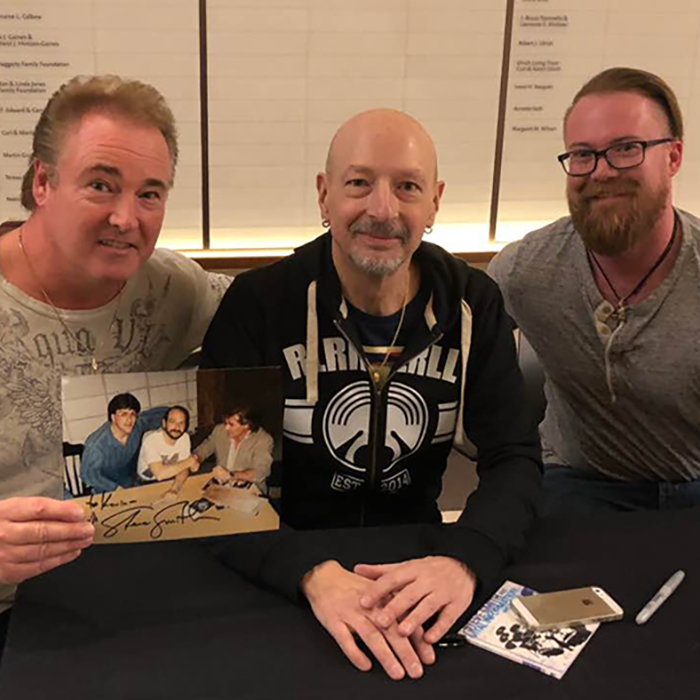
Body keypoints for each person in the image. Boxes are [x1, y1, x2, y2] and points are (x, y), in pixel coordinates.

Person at [201, 109, 542, 680]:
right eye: (359, 182)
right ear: (324, 194)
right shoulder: (258, 304)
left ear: (434, 202)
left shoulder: (473, 303)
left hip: (420, 569)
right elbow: (218, 481)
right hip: (282, 570)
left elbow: (515, 457)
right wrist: (310, 571)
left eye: (407, 187)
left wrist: (464, 558)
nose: (383, 210)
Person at [0, 75, 229, 631]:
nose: (126, 218)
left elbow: (282, 302)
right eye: (100, 185)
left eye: (149, 193)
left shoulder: (175, 289)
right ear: (43, 182)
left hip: (143, 595)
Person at [488, 67, 699, 516]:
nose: (601, 171)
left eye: (626, 148)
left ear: (673, 157)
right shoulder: (527, 271)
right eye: (583, 154)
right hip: (577, 480)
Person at [80, 393, 167, 493]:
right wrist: (116, 488)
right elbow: (87, 474)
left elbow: (162, 414)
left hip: (132, 484)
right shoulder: (97, 445)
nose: (129, 419)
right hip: (106, 490)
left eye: (132, 414)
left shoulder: (136, 426)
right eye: (123, 414)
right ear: (113, 417)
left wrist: (174, 422)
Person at [194, 407, 273, 485]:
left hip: (249, 488)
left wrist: (231, 475)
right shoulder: (219, 430)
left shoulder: (263, 440)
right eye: (225, 423)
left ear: (246, 425)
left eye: (231, 424)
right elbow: (204, 449)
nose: (226, 428)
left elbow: (261, 472)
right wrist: (196, 458)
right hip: (220, 486)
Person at [137, 405, 199, 496]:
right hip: (146, 482)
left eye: (181, 423)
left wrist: (174, 489)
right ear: (164, 423)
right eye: (172, 421)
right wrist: (190, 462)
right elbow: (160, 474)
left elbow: (183, 469)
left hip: (172, 477)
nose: (177, 427)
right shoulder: (150, 439)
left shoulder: (184, 438)